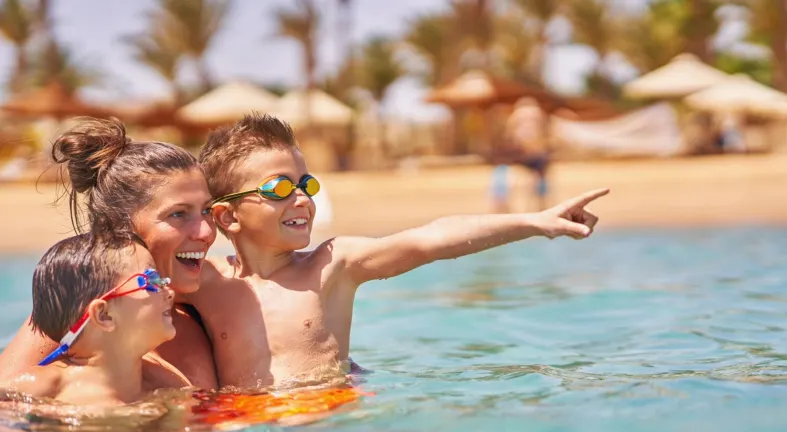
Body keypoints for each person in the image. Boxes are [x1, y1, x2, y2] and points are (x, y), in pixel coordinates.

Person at [185, 113, 609, 389]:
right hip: (247, 420)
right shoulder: (207, 282)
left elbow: (430, 239)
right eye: (279, 188)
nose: (300, 198)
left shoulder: (333, 266)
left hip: (325, 413)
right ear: (227, 218)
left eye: (306, 184)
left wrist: (534, 222)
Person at [0, 118, 218, 390]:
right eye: (178, 214)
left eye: (207, 210)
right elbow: (8, 396)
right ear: (119, 227)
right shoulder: (81, 307)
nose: (206, 232)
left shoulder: (216, 296)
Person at [0, 233, 187, 406]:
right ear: (103, 315)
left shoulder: (165, 382)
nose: (169, 292)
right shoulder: (46, 385)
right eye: (152, 281)